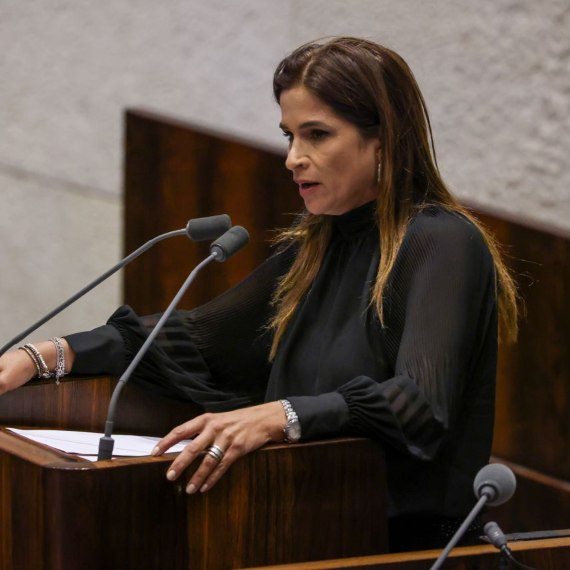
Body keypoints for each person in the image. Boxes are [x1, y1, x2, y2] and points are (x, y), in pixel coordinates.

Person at [0, 37, 518, 551]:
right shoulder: (318, 245)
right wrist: (51, 354)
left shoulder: (441, 241)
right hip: (295, 530)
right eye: (290, 136)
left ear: (383, 139)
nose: (293, 158)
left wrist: (282, 416)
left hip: (402, 548)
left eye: (317, 135)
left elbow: (420, 403)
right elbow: (196, 342)